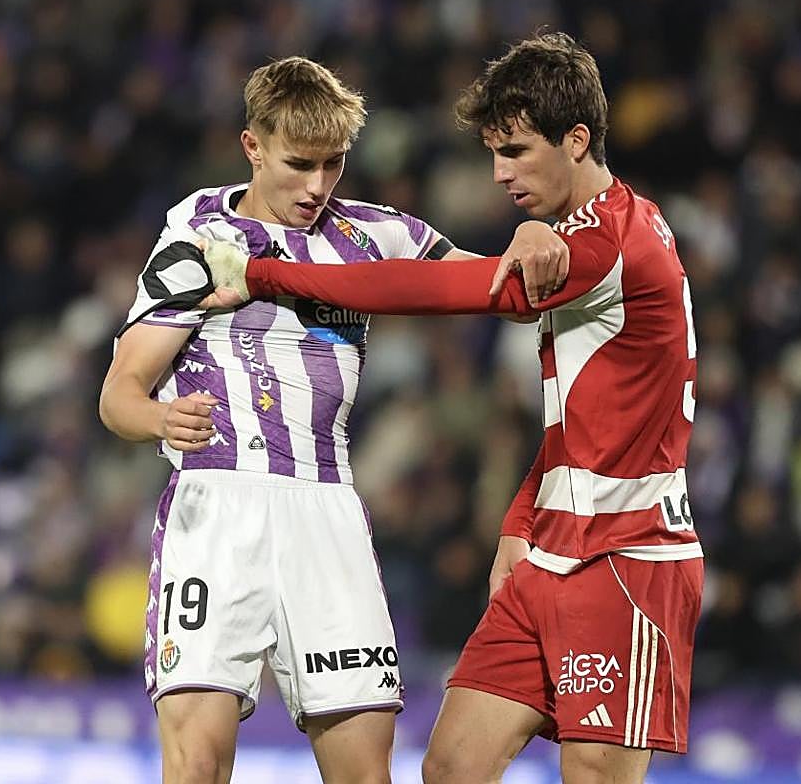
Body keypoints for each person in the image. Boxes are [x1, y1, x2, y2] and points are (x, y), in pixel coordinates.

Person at [202, 31, 704, 784]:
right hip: (550, 546)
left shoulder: (607, 244)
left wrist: (269, 276)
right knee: (452, 766)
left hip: (625, 554)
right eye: (494, 153)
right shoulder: (581, 231)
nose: (500, 174)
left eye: (517, 152)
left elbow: (436, 290)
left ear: (576, 140)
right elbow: (587, 417)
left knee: (594, 776)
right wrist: (517, 521)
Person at [98, 56, 565, 784]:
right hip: (219, 506)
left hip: (327, 510)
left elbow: (493, 282)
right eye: (299, 164)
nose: (318, 186)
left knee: (364, 773)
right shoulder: (200, 234)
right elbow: (119, 393)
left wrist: (530, 238)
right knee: (196, 764)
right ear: (253, 147)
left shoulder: (375, 234)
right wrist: (160, 418)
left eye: (334, 164)